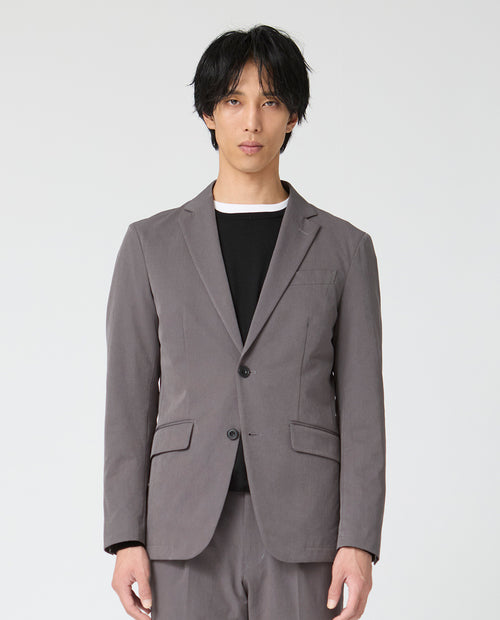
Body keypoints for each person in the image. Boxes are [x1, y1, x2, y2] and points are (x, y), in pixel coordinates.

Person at [103, 24, 386, 620]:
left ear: (293, 116)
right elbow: (128, 400)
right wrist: (125, 535)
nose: (252, 121)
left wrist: (358, 540)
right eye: (234, 101)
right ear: (209, 113)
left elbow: (364, 409)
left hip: (304, 528)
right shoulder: (151, 245)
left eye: (271, 101)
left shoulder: (345, 249)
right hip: (182, 529)